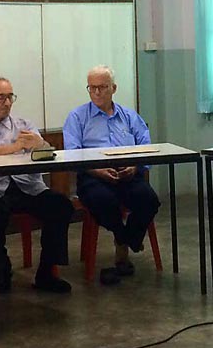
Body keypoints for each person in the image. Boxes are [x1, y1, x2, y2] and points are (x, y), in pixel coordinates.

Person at [0, 77, 74, 293]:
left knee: (61, 206)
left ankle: (47, 273)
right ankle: (1, 270)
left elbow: (45, 153)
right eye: (0, 97)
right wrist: (12, 148)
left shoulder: (24, 125)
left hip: (27, 187)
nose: (6, 103)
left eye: (9, 97)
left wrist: (41, 144)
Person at [63, 65, 160, 283]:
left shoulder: (129, 116)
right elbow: (72, 154)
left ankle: (127, 239)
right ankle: (124, 239)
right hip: (93, 175)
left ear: (113, 88)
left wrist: (134, 166)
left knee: (149, 200)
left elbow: (146, 147)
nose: (97, 92)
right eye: (92, 88)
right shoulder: (77, 117)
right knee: (103, 200)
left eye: (102, 87)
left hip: (127, 173)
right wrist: (96, 170)